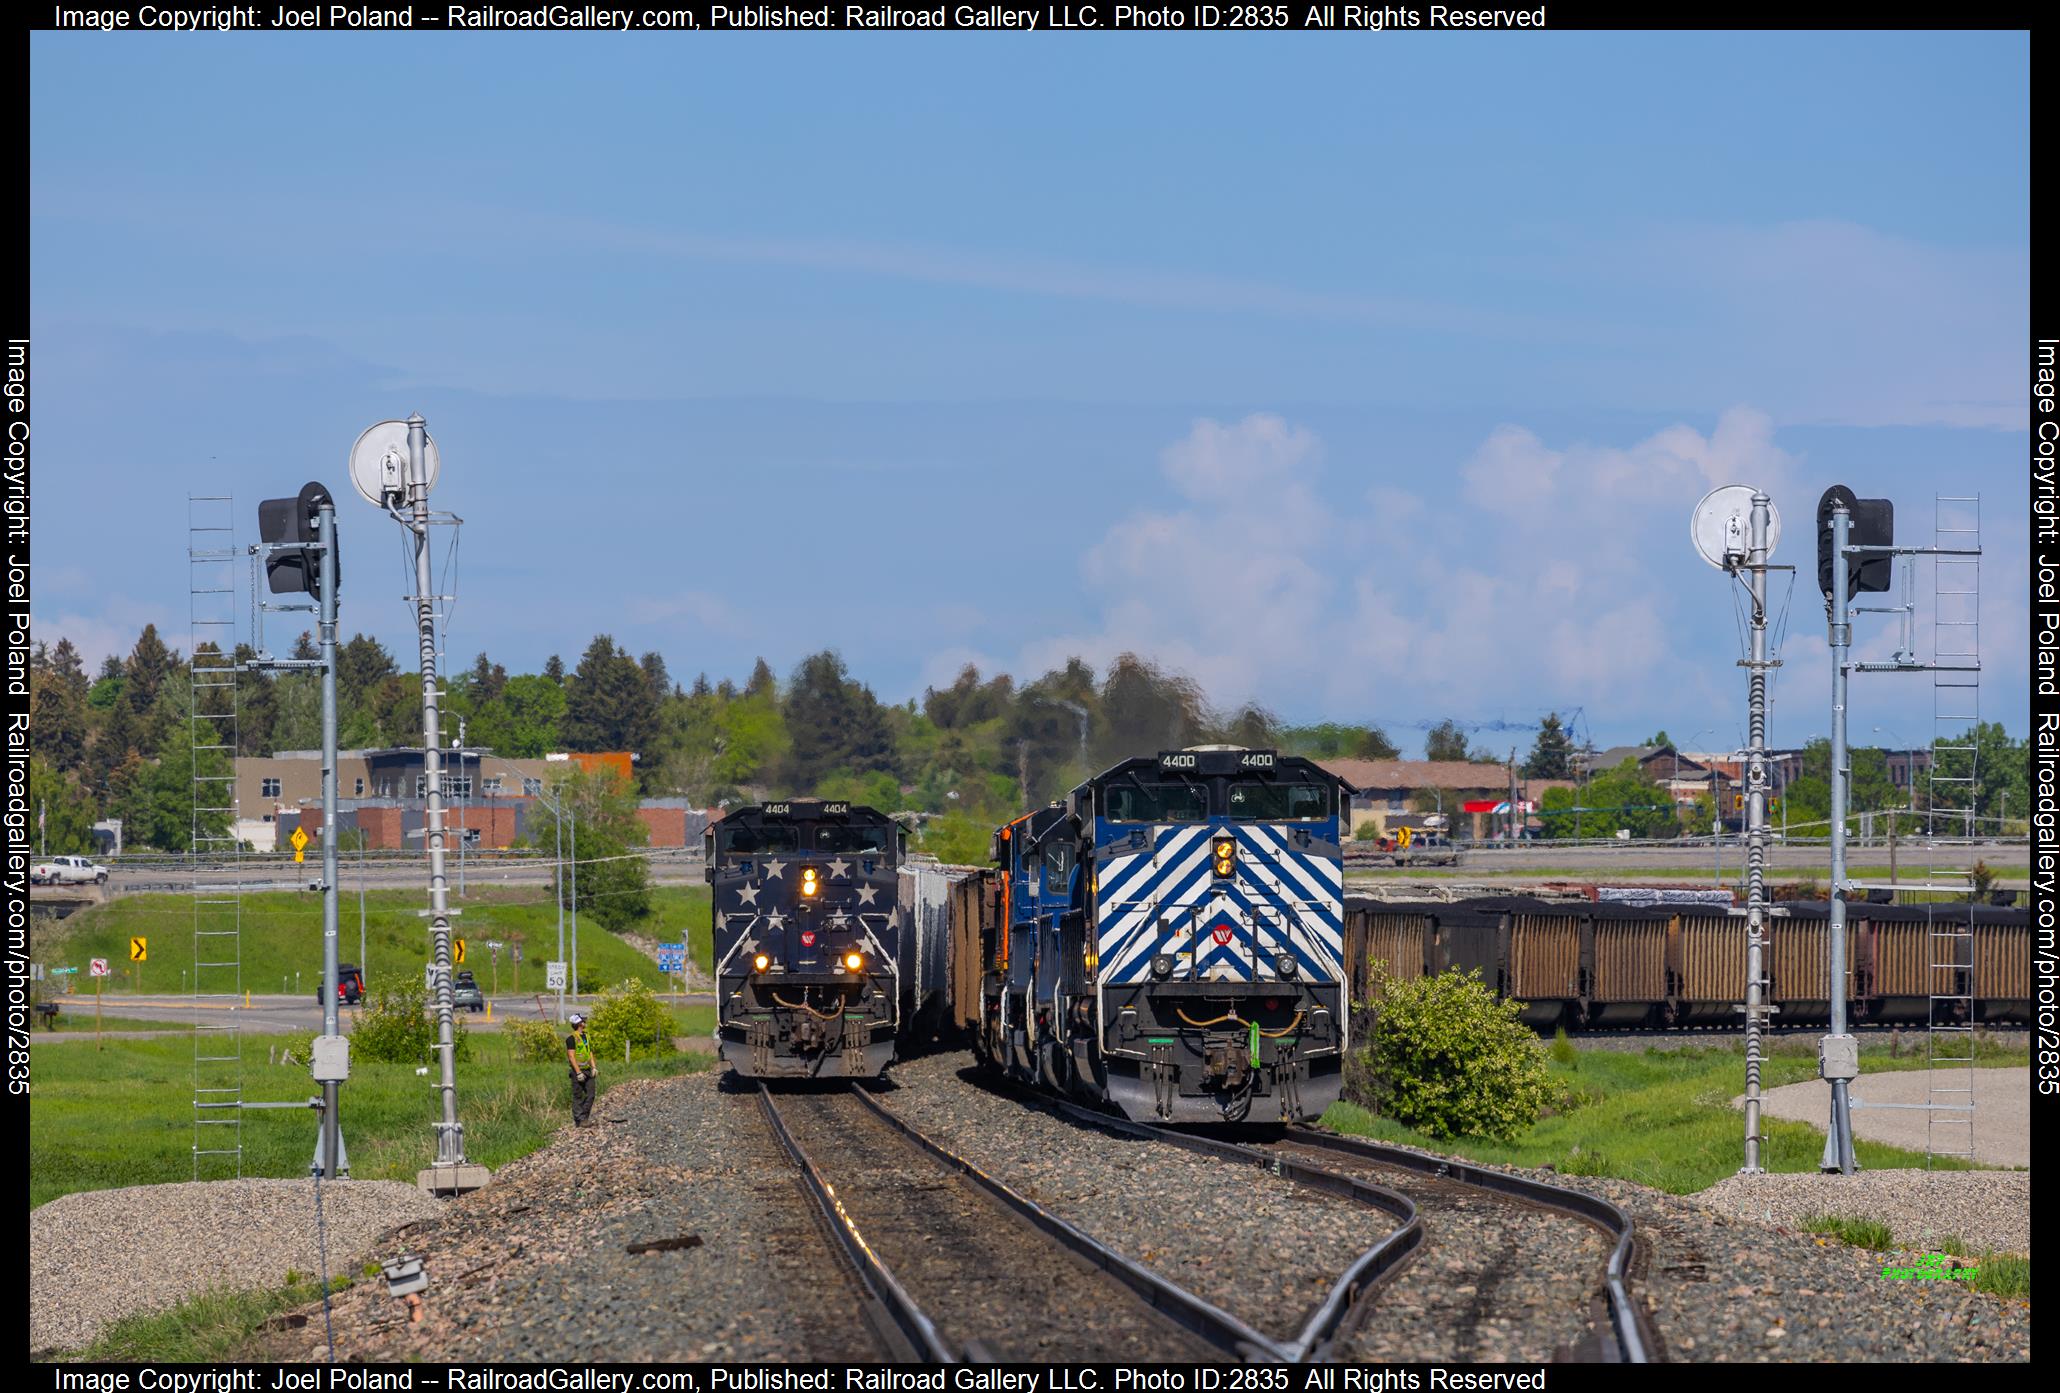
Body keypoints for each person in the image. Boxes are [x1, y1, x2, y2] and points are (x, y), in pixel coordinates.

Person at [565, 1013, 597, 1127]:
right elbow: (571, 1056)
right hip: (577, 1071)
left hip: (588, 1069)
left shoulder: (587, 1037)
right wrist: (578, 1072)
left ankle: (584, 1117)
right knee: (578, 1096)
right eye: (583, 1021)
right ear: (579, 1023)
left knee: (591, 1094)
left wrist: (594, 1067)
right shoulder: (571, 1039)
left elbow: (590, 1052)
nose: (585, 1022)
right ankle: (579, 1120)